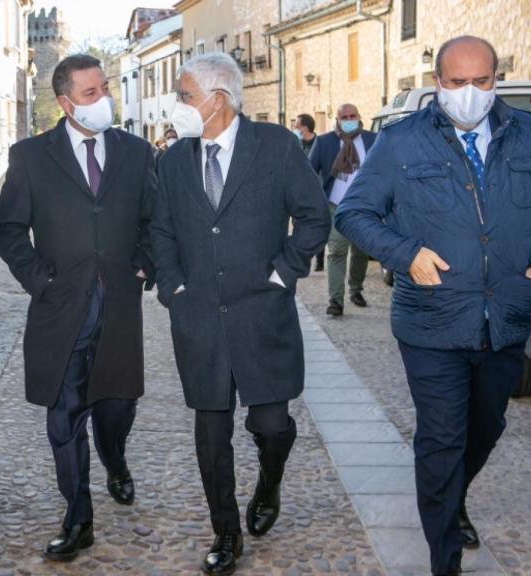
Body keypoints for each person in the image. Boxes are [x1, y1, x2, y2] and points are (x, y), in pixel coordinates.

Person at [335, 36, 531, 576]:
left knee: (486, 426)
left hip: (507, 317)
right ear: (437, 83)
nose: (470, 94)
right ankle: (443, 556)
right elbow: (354, 214)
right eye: (456, 83)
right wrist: (406, 254)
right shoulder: (401, 141)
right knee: (442, 437)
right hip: (431, 321)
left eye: (482, 82)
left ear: (496, 79)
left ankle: (453, 497)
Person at [151, 53, 329, 575]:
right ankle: (225, 530)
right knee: (211, 434)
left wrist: (283, 272)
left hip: (262, 313)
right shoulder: (173, 159)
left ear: (218, 99)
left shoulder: (274, 147)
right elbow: (161, 230)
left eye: (185, 95)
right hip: (198, 316)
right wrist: (172, 286)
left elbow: (315, 216)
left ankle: (269, 486)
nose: (177, 105)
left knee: (272, 426)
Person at [0, 54, 156, 563]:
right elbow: (9, 230)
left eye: (104, 88)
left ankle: (115, 457)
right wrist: (40, 279)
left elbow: (157, 219)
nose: (102, 99)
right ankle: (78, 515)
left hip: (120, 304)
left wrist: (143, 263)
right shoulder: (30, 156)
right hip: (61, 308)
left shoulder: (137, 152)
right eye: (90, 94)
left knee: (117, 405)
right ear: (65, 103)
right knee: (64, 415)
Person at [309, 103, 377, 316]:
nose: (348, 120)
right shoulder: (324, 142)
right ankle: (335, 301)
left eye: (352, 116)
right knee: (337, 251)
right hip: (335, 205)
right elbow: (309, 172)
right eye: (344, 117)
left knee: (361, 252)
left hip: (364, 206)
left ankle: (355, 289)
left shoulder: (372, 140)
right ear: (337, 119)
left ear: (359, 116)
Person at [293, 113, 323, 271]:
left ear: (304, 127)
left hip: (318, 191)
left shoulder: (321, 143)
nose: (295, 128)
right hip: (298, 192)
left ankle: (319, 259)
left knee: (317, 225)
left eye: (297, 126)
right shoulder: (294, 144)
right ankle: (302, 257)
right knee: (299, 225)